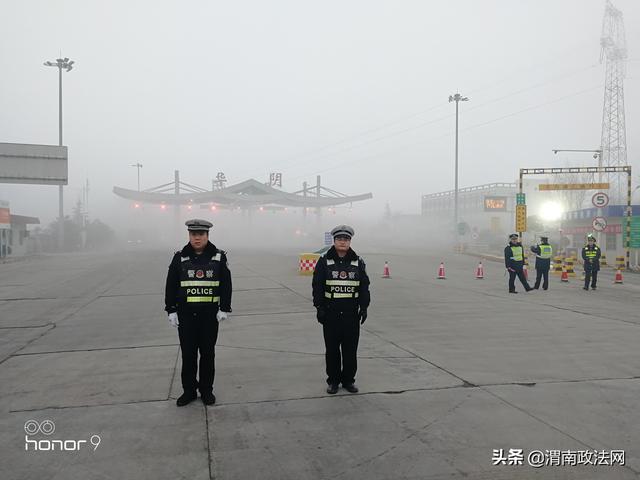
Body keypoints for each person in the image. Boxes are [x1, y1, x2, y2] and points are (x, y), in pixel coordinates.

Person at [165, 219, 232, 406]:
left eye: (201, 234)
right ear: (189, 236)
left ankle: (206, 390)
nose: (197, 238)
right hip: (186, 316)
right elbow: (171, 285)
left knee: (208, 354)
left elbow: (226, 284)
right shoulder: (179, 258)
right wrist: (171, 309)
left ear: (207, 236)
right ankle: (189, 391)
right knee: (188, 355)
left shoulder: (219, 257)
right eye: (193, 234)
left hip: (209, 316)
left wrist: (224, 307)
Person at [312, 225, 370, 394]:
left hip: (351, 315)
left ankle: (348, 381)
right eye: (339, 239)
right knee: (332, 350)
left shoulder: (358, 262)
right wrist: (319, 307)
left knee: (350, 351)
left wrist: (364, 307)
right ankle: (333, 381)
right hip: (331, 314)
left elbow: (364, 287)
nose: (343, 242)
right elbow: (317, 286)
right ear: (334, 241)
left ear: (350, 241)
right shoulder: (324, 261)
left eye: (346, 239)